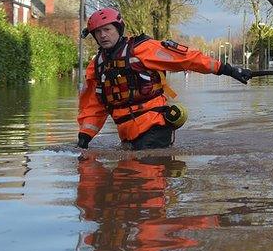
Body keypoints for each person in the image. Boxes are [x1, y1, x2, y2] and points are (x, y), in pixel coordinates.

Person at [77, 8, 252, 151]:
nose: (103, 35)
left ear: (118, 28)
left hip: (154, 127)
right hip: (127, 134)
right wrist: (85, 136)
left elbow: (187, 59)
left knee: (146, 180)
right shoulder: (97, 66)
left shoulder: (142, 49)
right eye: (98, 32)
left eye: (107, 29)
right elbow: (94, 104)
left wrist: (228, 70)